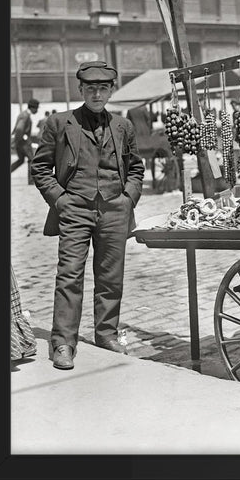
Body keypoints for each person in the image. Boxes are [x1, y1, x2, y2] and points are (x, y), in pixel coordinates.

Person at [31, 61, 145, 370]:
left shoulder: (123, 126)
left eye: (103, 88)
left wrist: (127, 199)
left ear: (110, 90)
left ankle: (106, 334)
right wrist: (60, 201)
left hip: (113, 209)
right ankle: (63, 342)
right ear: (81, 90)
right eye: (90, 88)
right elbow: (40, 168)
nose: (97, 94)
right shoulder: (58, 123)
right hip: (74, 208)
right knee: (69, 274)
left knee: (111, 277)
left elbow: (135, 167)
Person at [10, 98, 39, 176]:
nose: (37, 110)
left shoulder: (23, 114)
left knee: (21, 160)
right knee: (32, 159)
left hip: (20, 141)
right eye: (37, 108)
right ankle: (31, 180)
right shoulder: (25, 116)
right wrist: (17, 141)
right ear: (33, 107)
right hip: (23, 142)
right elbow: (19, 129)